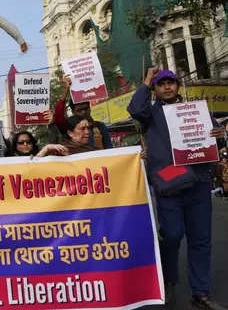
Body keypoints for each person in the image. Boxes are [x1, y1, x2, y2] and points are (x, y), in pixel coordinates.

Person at [128, 68, 226, 309]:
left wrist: (220, 134)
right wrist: (147, 81)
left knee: (200, 240)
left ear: (178, 86)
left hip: (199, 183)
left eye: (171, 83)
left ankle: (200, 292)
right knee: (171, 235)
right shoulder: (151, 114)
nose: (167, 87)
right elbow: (135, 109)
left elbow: (216, 140)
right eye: (162, 84)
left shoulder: (196, 111)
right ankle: (170, 277)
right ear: (156, 90)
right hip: (168, 186)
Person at [52, 76, 112, 149]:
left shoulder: (100, 127)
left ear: (89, 108)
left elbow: (109, 150)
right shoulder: (69, 126)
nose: (83, 112)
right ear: (70, 133)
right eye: (79, 110)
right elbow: (57, 117)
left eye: (85, 108)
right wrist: (66, 90)